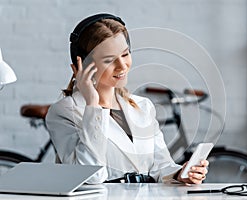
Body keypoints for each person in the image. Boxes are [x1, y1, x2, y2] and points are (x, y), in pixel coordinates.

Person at [46, 13, 209, 184]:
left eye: (125, 54)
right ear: (80, 67)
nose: (122, 66)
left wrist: (180, 174)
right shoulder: (64, 112)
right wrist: (93, 104)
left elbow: (160, 167)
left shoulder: (143, 106)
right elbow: (90, 176)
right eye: (109, 60)